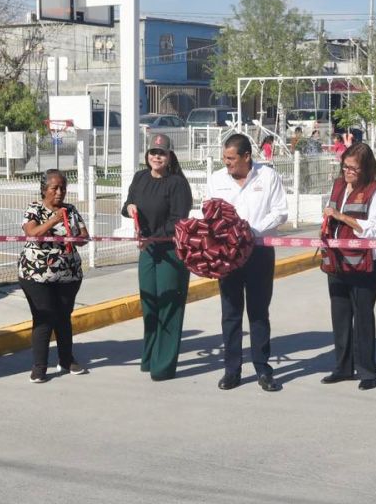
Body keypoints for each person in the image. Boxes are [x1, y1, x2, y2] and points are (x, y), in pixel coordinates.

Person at [207, 133, 289, 392]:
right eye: (225, 159)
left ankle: (263, 369)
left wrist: (252, 231)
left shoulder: (268, 177)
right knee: (230, 314)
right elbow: (208, 211)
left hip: (259, 253)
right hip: (228, 256)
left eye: (231, 159)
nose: (227, 164)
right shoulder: (217, 180)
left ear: (246, 157)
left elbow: (280, 212)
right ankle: (232, 370)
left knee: (258, 313)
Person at [122, 133, 193, 381]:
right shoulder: (140, 178)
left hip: (171, 253)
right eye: (153, 152)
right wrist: (129, 207)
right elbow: (128, 203)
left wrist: (153, 237)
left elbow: (178, 221)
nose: (157, 156)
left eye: (162, 153)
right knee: (150, 304)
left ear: (170, 155)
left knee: (168, 307)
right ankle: (150, 357)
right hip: (148, 252)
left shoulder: (177, 184)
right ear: (147, 155)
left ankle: (163, 365)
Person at [320, 142, 376, 391]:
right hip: (336, 260)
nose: (347, 172)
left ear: (367, 169)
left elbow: (372, 229)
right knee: (340, 315)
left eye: (353, 169)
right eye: (345, 167)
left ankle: (367, 370)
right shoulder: (338, 185)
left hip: (365, 262)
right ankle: (342, 367)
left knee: (362, 316)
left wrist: (340, 216)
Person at [19, 169, 90, 384]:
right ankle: (39, 366)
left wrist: (76, 238)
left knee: (63, 316)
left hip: (68, 274)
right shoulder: (34, 209)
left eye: (63, 188)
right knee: (44, 316)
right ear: (44, 190)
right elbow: (32, 233)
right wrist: (55, 219)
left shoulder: (71, 209)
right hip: (37, 275)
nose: (59, 192)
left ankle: (66, 359)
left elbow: (84, 235)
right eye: (54, 188)